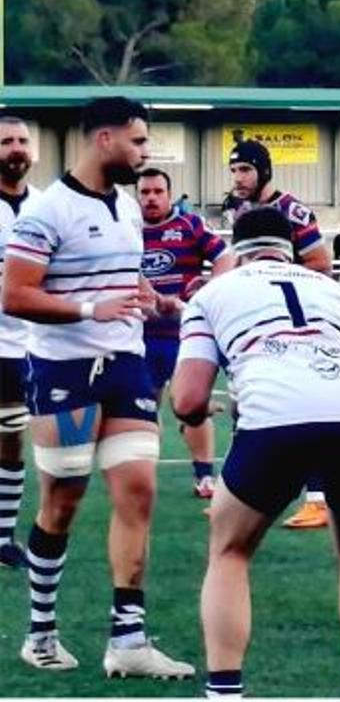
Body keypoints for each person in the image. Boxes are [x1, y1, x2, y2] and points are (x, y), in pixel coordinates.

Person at [172, 207, 340, 698]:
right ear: (291, 248)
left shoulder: (212, 294)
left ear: (235, 250)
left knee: (230, 550)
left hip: (276, 418)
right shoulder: (338, 293)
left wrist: (194, 418)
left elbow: (188, 399)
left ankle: (225, 691)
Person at [3, 96, 193, 677]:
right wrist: (91, 306)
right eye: (138, 141)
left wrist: (153, 298)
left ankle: (129, 641)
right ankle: (40, 633)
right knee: (63, 501)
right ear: (104, 139)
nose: (145, 152)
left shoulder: (128, 207)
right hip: (62, 372)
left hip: (126, 364)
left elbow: (124, 270)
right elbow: (15, 295)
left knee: (138, 491)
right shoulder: (48, 212)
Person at [228, 139, 334, 528]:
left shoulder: (293, 211)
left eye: (245, 170)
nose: (238, 178)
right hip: (255, 322)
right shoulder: (241, 209)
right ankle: (241, 493)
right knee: (247, 402)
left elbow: (321, 263)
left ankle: (319, 499)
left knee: (304, 406)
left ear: (264, 171)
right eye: (234, 170)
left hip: (294, 323)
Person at [137, 168, 233, 498]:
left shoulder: (189, 226)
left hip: (185, 334)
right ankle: (142, 474)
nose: (151, 198)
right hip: (139, 336)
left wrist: (211, 289)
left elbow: (225, 256)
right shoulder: (126, 230)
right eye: (145, 192)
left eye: (157, 191)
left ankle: (205, 476)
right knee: (145, 407)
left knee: (192, 407)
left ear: (169, 194)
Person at [0, 116, 41, 569]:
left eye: (22, 141)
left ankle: (4, 534)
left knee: (13, 438)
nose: (16, 148)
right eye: (6, 141)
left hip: (30, 343)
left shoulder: (45, 205)